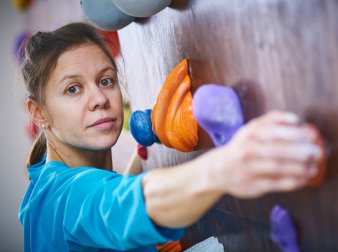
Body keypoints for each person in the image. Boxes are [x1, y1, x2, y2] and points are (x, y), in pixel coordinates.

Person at [18, 22, 322, 252]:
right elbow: (112, 205)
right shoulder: (65, 198)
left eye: (105, 80)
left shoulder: (43, 185)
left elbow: (97, 211)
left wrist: (138, 160)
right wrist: (226, 167)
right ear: (39, 113)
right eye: (73, 89)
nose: (100, 98)